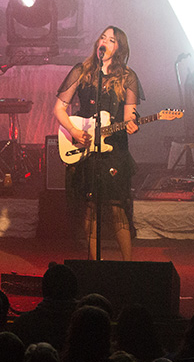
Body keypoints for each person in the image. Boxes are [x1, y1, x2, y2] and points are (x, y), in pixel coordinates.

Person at [54, 26, 142, 261]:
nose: (104, 41)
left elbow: (129, 116)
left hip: (115, 149)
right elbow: (59, 108)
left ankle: (128, 266)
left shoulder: (127, 76)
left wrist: (132, 124)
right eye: (102, 37)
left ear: (118, 48)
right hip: (87, 146)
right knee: (90, 207)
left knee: (117, 208)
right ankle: (95, 265)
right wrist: (74, 130)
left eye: (111, 39)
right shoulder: (81, 71)